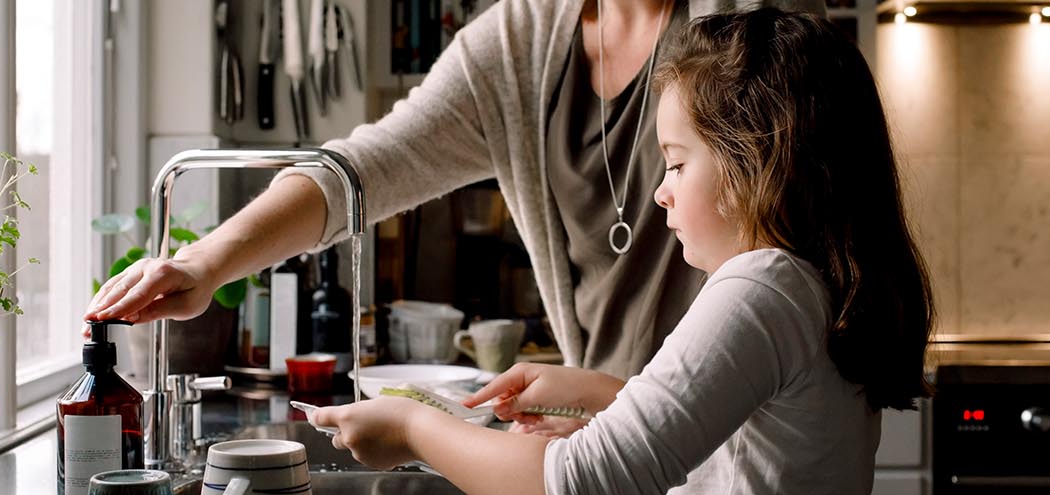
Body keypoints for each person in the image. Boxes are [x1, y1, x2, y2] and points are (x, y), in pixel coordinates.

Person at [312, 9, 935, 495]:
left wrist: (413, 429)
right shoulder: (811, 284)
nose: (661, 191)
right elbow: (745, 447)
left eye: (679, 162)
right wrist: (603, 395)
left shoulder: (760, 289)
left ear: (754, 161)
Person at [85, 0, 826, 405]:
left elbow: (819, 223)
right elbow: (369, 165)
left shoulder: (744, 24)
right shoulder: (515, 44)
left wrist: (418, 431)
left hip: (740, 423)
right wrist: (207, 263)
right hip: (604, 427)